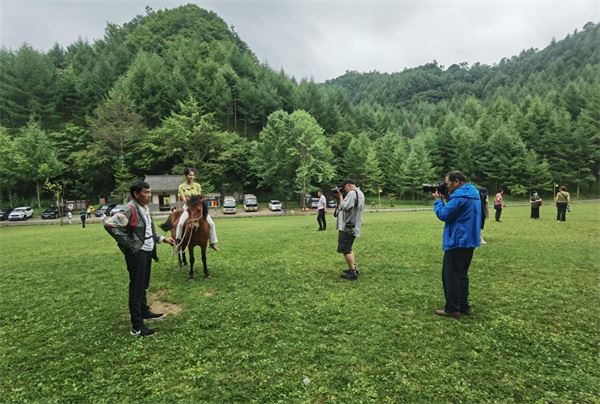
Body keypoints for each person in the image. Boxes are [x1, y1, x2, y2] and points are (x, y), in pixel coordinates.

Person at [104, 180, 175, 337]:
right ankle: (137, 326)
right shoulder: (129, 208)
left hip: (147, 250)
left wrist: (163, 239)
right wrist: (130, 243)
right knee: (136, 288)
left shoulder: (144, 207)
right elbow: (109, 225)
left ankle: (144, 311)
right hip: (137, 252)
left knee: (143, 284)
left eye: (150, 192)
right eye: (146, 192)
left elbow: (147, 230)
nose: (149, 195)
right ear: (136, 194)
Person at [433, 170, 481, 318]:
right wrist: (447, 197)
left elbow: (444, 214)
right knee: (461, 274)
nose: (446, 186)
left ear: (457, 182)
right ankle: (463, 305)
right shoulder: (473, 193)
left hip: (457, 240)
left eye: (447, 184)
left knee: (450, 275)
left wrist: (437, 201)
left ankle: (453, 308)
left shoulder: (459, 197)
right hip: (470, 239)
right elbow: (458, 211)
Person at [176, 167, 219, 251]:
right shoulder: (181, 187)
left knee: (211, 223)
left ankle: (212, 243)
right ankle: (179, 243)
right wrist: (189, 202)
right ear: (186, 175)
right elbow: (184, 199)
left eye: (193, 175)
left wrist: (196, 203)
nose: (191, 177)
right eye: (190, 175)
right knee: (180, 224)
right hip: (188, 208)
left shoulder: (197, 186)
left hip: (198, 208)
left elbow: (199, 198)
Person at [336, 179, 365, 280]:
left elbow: (345, 207)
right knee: (349, 248)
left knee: (345, 249)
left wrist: (340, 196)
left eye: (344, 188)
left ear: (348, 185)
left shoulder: (352, 194)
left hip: (348, 226)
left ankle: (352, 272)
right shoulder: (360, 193)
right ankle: (353, 268)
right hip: (354, 225)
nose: (344, 190)